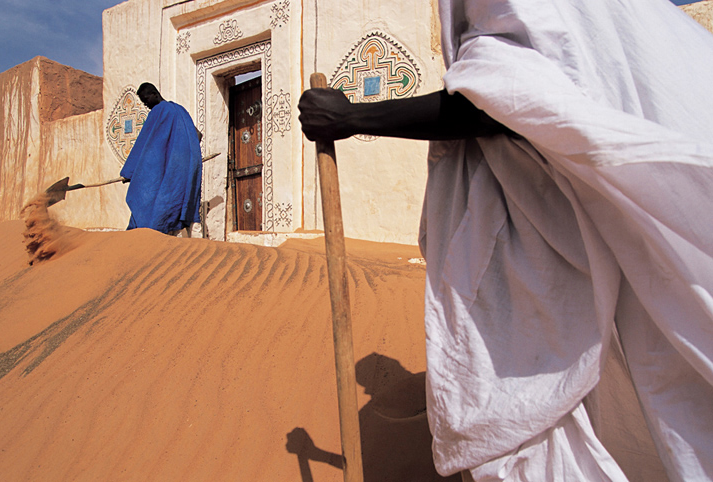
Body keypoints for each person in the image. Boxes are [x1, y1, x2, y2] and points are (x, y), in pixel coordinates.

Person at [298, 0, 713, 481]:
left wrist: (355, 117)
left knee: (517, 404)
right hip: (558, 225)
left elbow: (505, 97)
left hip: (539, 232)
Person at [120, 83, 203, 235]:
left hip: (169, 169)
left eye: (146, 100)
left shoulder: (159, 110)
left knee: (150, 197)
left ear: (154, 94)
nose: (146, 105)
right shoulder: (180, 110)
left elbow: (144, 143)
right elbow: (198, 135)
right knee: (177, 200)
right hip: (184, 169)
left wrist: (130, 172)